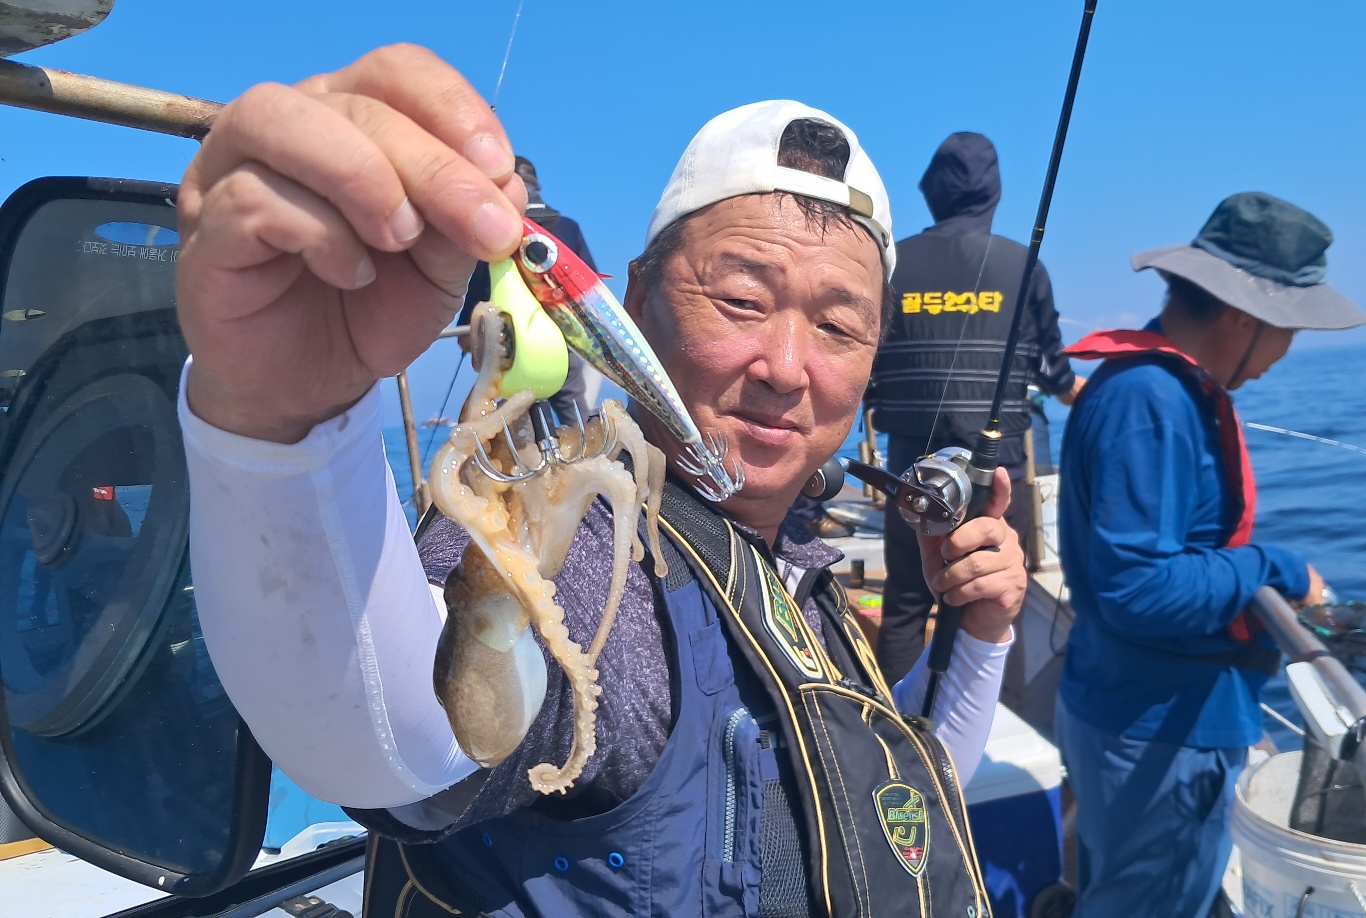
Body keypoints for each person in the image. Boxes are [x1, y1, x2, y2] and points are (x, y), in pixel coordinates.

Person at [174, 46, 1027, 918]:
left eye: (839, 327)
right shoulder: (588, 548)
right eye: (741, 300)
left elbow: (890, 812)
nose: (785, 365)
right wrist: (287, 427)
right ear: (638, 303)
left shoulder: (803, 572)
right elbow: (399, 742)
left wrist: (983, 634)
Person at [1053, 192, 1366, 917]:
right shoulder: (1152, 400)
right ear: (1244, 316)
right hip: (1161, 728)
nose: (1285, 353)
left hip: (1133, 707)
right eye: (1289, 329)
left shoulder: (1146, 387)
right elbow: (1138, 586)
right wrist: (1277, 569)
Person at [865, 132, 1085, 685]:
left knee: (907, 598)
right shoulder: (1024, 266)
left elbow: (865, 366)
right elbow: (1053, 370)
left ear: (931, 190)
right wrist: (1083, 393)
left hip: (912, 466)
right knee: (993, 594)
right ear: (994, 192)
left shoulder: (891, 265)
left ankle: (899, 720)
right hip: (997, 470)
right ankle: (986, 713)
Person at [458, 155, 599, 426]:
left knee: (518, 426)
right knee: (575, 417)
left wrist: (468, 335)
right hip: (563, 345)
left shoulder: (493, 237)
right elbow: (589, 288)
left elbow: (479, 291)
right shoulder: (567, 228)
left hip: (511, 351)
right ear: (537, 187)